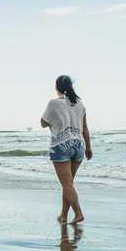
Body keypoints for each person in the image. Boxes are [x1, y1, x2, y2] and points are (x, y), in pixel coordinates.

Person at [41, 75, 92, 225]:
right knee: (68, 183)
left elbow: (43, 123)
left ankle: (78, 213)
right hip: (78, 145)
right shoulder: (80, 104)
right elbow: (84, 127)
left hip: (61, 143)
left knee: (66, 183)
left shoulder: (54, 103)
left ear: (57, 88)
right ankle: (63, 215)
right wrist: (88, 147)